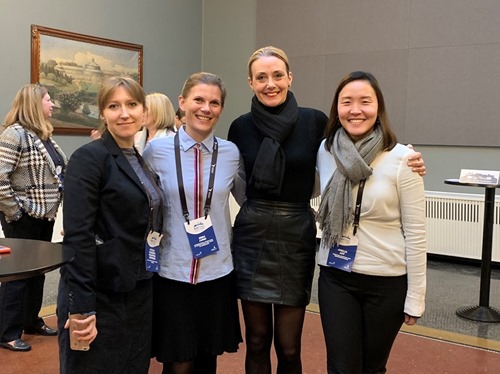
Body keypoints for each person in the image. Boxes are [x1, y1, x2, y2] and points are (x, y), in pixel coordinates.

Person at [227, 46, 426, 374]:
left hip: (296, 235)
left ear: (290, 77)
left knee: (289, 345)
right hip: (252, 235)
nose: (270, 83)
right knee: (258, 339)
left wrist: (409, 157)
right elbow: (239, 181)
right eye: (261, 77)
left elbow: (354, 151)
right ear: (250, 82)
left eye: (277, 75)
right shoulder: (240, 126)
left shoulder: (314, 123)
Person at [316, 71, 426, 374]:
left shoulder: (403, 158)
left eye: (365, 101)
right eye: (346, 102)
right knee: (341, 367)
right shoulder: (326, 151)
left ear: (378, 107)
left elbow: (416, 233)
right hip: (336, 277)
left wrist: (416, 297)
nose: (355, 110)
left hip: (386, 282)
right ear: (336, 109)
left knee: (372, 368)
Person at [57, 76, 163, 373]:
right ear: (102, 113)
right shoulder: (88, 158)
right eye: (114, 106)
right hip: (100, 293)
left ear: (144, 111)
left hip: (137, 288)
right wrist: (82, 307)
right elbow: (77, 237)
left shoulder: (138, 159)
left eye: (132, 104)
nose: (124, 113)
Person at [143, 72, 245, 374]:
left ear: (221, 109)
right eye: (199, 99)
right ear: (183, 102)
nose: (206, 108)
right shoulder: (156, 151)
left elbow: (248, 199)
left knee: (206, 357)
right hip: (172, 271)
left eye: (214, 102)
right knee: (179, 362)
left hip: (217, 271)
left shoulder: (230, 153)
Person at [0, 83, 67, 352]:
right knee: (17, 276)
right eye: (48, 100)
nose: (52, 104)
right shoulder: (14, 134)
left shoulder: (43, 135)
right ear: (33, 104)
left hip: (44, 215)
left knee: (37, 272)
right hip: (23, 216)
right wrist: (15, 211)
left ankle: (30, 320)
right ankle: (6, 331)